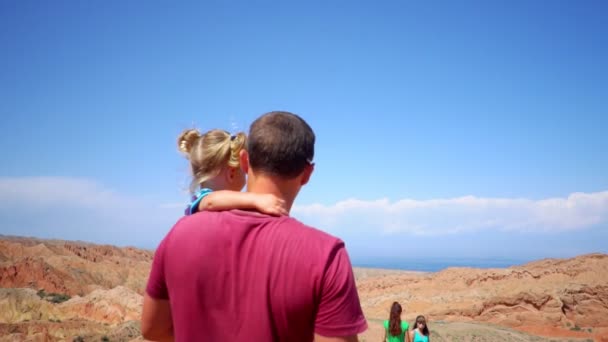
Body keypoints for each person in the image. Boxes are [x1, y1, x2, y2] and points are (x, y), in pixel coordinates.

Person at [141, 111, 368, 341]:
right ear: (307, 174)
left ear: (244, 160)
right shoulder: (327, 257)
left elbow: (152, 329)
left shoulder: (178, 235)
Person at [177, 128, 287, 216]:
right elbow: (210, 201)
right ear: (232, 173)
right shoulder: (204, 198)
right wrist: (256, 199)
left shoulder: (220, 204)